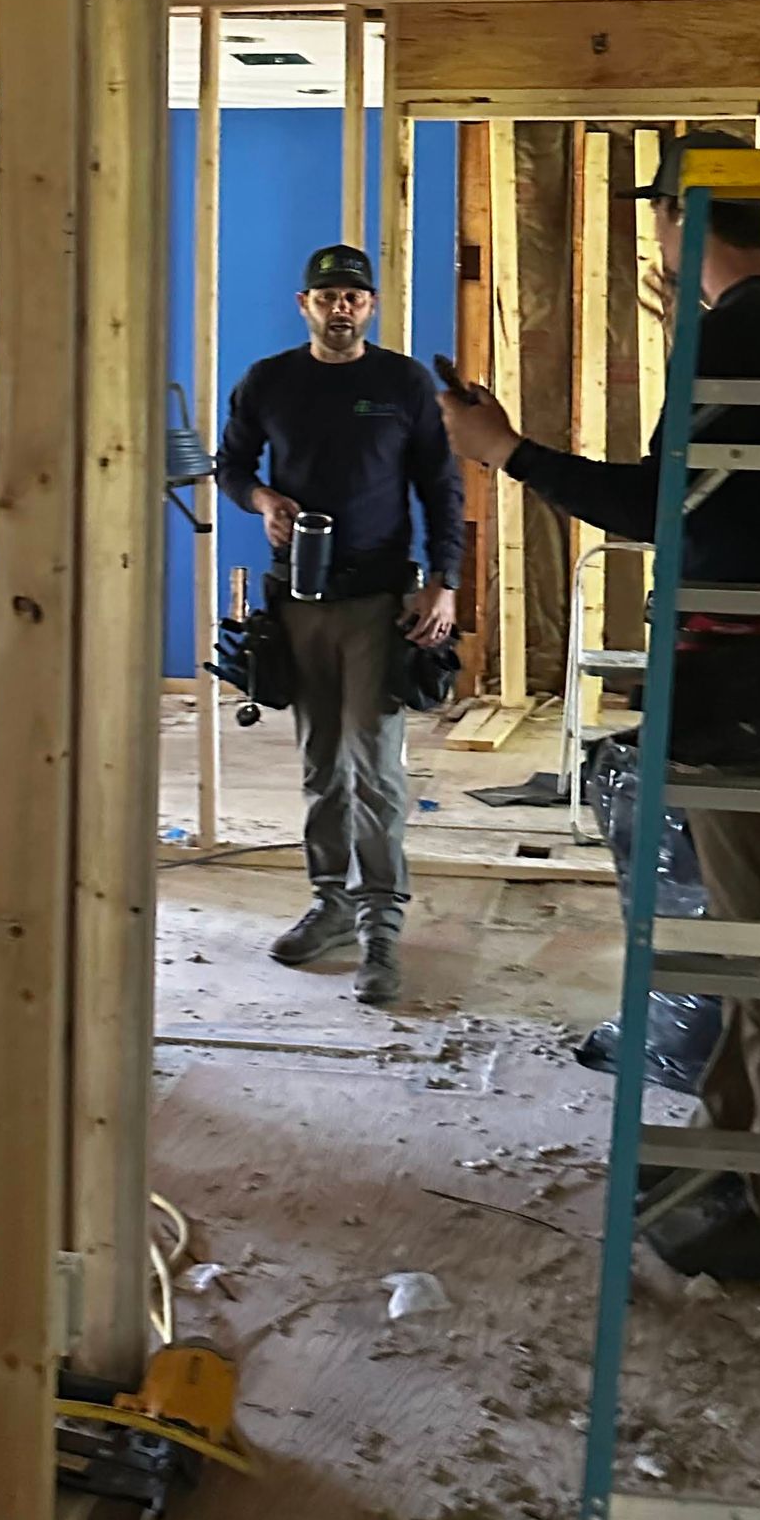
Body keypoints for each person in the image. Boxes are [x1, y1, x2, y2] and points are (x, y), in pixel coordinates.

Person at [439, 133, 760, 1285]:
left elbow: (661, 503)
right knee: (737, 930)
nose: (658, 239)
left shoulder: (746, 330)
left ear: (684, 214)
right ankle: (738, 1157)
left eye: (661, 218)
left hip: (747, 667)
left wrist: (508, 451)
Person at [217, 243, 463, 1009]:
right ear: (305, 306)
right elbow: (230, 467)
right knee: (322, 763)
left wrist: (445, 583)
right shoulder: (270, 382)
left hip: (377, 603)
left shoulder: (402, 384)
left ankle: (382, 923)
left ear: (372, 306)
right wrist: (262, 501)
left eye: (354, 296)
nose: (341, 308)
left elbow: (440, 486)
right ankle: (331, 904)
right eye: (327, 297)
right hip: (297, 603)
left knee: (376, 768)